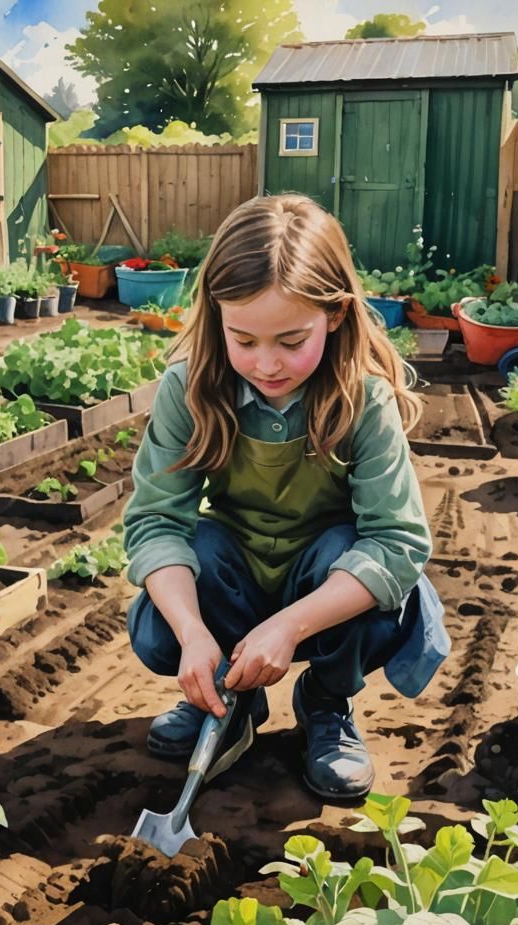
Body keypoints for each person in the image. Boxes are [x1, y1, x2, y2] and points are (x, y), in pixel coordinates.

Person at [123, 194, 449, 800]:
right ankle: (229, 696)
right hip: (240, 570)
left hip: (323, 582)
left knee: (358, 561)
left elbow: (397, 542)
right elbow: (155, 524)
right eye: (243, 340)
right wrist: (194, 633)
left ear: (337, 314)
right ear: (216, 315)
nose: (267, 364)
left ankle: (327, 701)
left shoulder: (363, 400)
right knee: (169, 603)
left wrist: (291, 626)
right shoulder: (189, 389)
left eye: (291, 340)